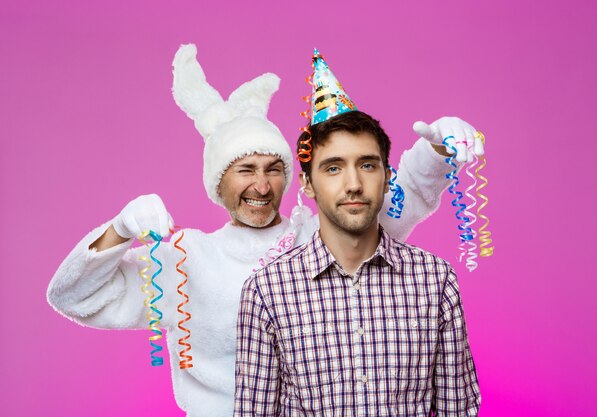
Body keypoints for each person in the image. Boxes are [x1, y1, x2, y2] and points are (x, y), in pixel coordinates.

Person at [47, 45, 483, 417]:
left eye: (274, 169)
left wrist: (435, 152)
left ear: (294, 179)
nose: (261, 185)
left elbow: (389, 195)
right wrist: (119, 230)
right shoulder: (186, 259)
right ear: (219, 182)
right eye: (245, 170)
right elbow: (73, 297)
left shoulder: (326, 236)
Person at [234, 109, 481, 417]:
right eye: (333, 168)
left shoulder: (435, 279)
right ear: (307, 184)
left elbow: (457, 409)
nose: (353, 184)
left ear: (388, 177)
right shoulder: (267, 291)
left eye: (367, 165)